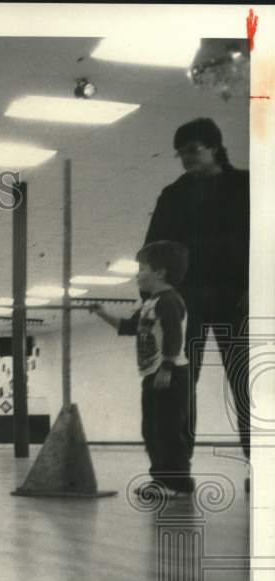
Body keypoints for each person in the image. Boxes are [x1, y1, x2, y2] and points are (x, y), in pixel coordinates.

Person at [144, 118, 250, 475]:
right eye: (181, 153)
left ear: (215, 147)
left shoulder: (247, 187)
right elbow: (154, 250)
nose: (186, 158)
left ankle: (265, 468)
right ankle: (172, 474)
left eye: (193, 150)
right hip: (185, 300)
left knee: (248, 381)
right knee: (176, 384)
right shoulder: (173, 195)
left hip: (237, 297)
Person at [91, 241, 194, 497]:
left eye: (142, 268)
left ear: (159, 272)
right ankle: (161, 480)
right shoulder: (150, 302)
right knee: (152, 430)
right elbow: (128, 328)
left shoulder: (169, 301)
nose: (138, 274)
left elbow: (173, 335)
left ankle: (177, 484)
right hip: (153, 375)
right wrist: (101, 313)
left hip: (171, 375)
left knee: (169, 430)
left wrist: (167, 368)